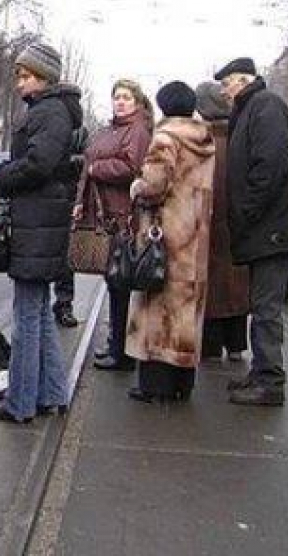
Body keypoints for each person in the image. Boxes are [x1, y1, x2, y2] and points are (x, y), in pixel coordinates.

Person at [0, 41, 83, 424]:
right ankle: (52, 394)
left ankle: (21, 402)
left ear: (44, 77)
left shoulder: (48, 112)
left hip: (37, 221)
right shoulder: (55, 110)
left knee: (27, 315)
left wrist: (2, 177)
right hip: (42, 219)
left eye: (26, 75)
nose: (19, 83)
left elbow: (38, 163)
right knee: (39, 312)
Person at [217, 57, 288, 407]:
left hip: (271, 229)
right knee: (261, 305)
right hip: (267, 227)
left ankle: (270, 380)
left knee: (266, 308)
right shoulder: (253, 107)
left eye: (227, 83)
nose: (224, 91)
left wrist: (245, 212)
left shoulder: (264, 106)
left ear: (243, 80)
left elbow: (269, 166)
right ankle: (262, 373)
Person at [124, 81, 215, 402]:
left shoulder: (165, 138)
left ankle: (155, 385)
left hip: (166, 237)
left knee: (158, 306)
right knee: (187, 311)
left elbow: (153, 184)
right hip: (195, 237)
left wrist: (135, 187)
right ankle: (182, 383)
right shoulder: (205, 140)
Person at [74, 78, 153, 370]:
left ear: (137, 102)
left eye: (126, 98)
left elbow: (133, 168)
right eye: (117, 97)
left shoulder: (138, 131)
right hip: (102, 212)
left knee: (121, 282)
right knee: (114, 281)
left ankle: (122, 351)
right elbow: (87, 166)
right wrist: (80, 201)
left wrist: (98, 168)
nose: (120, 102)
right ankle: (116, 344)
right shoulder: (109, 130)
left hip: (123, 217)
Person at [195, 81, 249, 362]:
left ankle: (211, 345)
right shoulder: (241, 136)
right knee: (237, 283)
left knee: (212, 287)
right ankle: (237, 344)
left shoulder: (203, 143)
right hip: (238, 225)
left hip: (207, 224)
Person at [52, 126, 89, 328]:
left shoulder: (79, 132)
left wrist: (70, 162)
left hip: (67, 198)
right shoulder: (47, 123)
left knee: (66, 257)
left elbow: (88, 159)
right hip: (47, 198)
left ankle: (64, 304)